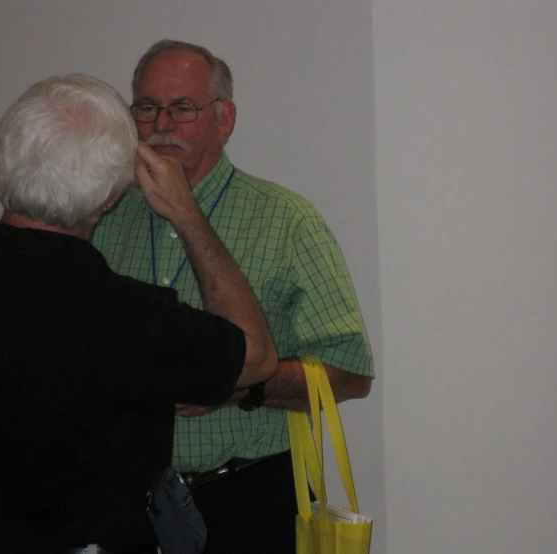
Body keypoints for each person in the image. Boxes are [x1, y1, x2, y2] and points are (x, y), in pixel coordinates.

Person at [0, 73, 277, 554]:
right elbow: (257, 357)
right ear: (110, 197)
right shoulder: (131, 315)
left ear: (4, 160)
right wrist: (187, 214)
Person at [92, 40, 375, 553]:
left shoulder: (287, 221)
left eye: (183, 108)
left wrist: (240, 387)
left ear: (224, 119)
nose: (162, 124)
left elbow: (352, 375)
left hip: (251, 499)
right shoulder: (107, 219)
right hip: (130, 501)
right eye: (148, 108)